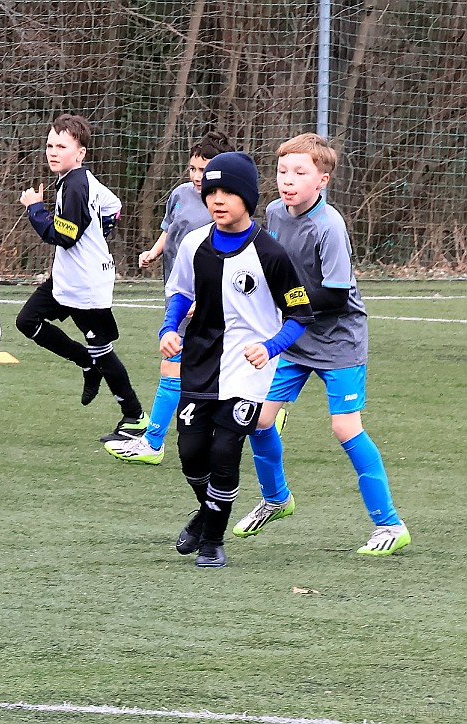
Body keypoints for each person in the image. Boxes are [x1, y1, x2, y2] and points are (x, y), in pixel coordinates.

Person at [233, 133, 410, 555]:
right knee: (258, 419)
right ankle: (276, 500)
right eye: (282, 171)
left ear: (322, 180)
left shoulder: (329, 226)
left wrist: (284, 304)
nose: (287, 180)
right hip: (297, 336)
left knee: (345, 427)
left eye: (299, 172)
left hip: (339, 340)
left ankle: (390, 525)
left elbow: (334, 296)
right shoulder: (275, 213)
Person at [160, 151, 313, 568]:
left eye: (228, 192)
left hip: (248, 370)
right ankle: (207, 513)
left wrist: (270, 347)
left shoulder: (270, 253)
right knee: (192, 453)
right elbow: (181, 294)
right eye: (212, 192)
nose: (218, 199)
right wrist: (169, 329)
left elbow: (300, 314)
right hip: (201, 361)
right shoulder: (194, 244)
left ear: (247, 197)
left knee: (225, 451)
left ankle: (212, 542)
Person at [105, 131, 236, 464]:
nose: (197, 176)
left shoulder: (223, 207)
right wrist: (154, 251)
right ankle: (261, 413)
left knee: (174, 365)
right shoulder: (180, 194)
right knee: (204, 369)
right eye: (193, 168)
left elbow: (226, 259)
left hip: (203, 301)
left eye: (204, 170)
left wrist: (204, 298)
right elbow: (170, 228)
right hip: (178, 295)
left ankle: (153, 442)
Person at [17, 114, 146, 443]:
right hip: (67, 278)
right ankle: (85, 362)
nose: (53, 151)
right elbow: (114, 206)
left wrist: (35, 208)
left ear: (81, 153)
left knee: (103, 351)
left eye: (62, 146)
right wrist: (98, 236)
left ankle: (134, 416)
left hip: (86, 284)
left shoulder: (75, 185)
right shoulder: (77, 180)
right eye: (50, 145)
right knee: (27, 321)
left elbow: (65, 236)